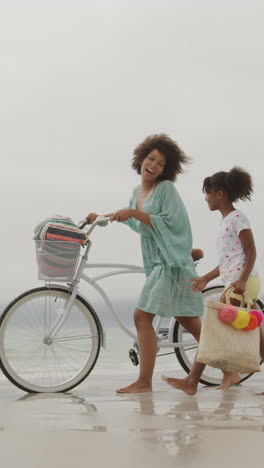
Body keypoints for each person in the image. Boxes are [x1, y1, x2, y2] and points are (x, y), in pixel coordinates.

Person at [87, 133, 204, 393]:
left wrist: (134, 213)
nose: (154, 165)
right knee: (193, 325)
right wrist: (101, 217)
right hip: (158, 264)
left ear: (167, 169)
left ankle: (144, 382)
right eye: (151, 158)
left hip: (171, 264)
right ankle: (225, 369)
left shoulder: (166, 190)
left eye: (161, 163)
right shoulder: (137, 192)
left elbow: (171, 222)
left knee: (142, 316)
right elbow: (134, 222)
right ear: (141, 159)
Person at [162, 167, 264, 394]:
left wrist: (242, 281)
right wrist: (205, 278)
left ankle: (193, 381)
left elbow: (252, 251)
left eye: (207, 193)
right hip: (237, 282)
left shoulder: (238, 218)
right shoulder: (226, 221)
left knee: (212, 330)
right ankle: (225, 376)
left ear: (220, 194)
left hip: (242, 284)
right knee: (256, 336)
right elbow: (228, 261)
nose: (205, 198)